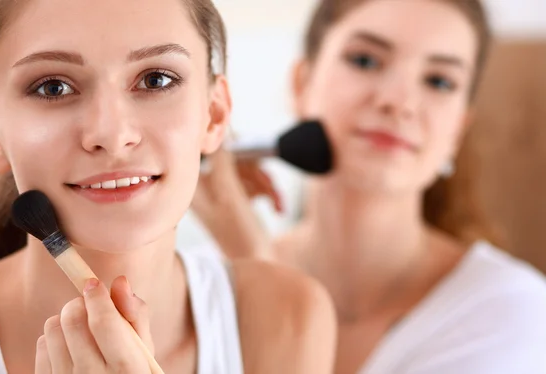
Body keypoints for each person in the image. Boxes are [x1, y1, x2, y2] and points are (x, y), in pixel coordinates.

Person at [0, 0, 338, 373]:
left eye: (156, 80)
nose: (112, 135)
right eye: (53, 88)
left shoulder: (286, 318)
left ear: (214, 114)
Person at [192, 0, 546, 373]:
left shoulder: (512, 313)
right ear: (302, 84)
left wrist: (255, 269)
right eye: (365, 61)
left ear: (457, 129)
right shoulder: (196, 283)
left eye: (439, 81)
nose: (398, 101)